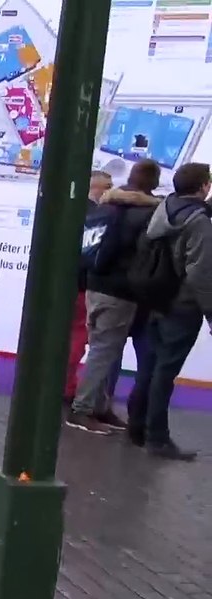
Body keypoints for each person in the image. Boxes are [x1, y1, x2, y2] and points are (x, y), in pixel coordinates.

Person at [66, 160, 162, 435]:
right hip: (120, 290)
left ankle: (99, 406)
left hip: (95, 285)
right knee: (103, 351)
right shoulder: (146, 214)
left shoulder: (106, 207)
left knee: (103, 348)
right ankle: (81, 409)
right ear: (153, 184)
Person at [125, 162, 212, 460]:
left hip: (156, 298)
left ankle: (137, 426)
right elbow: (200, 273)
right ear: (202, 187)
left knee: (150, 366)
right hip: (183, 304)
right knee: (165, 372)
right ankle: (158, 438)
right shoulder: (199, 221)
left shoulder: (164, 209)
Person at [65, 170, 115, 403]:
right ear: (92, 187)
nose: (110, 190)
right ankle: (68, 387)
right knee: (77, 338)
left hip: (70, 283)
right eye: (106, 186)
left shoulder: (69, 211)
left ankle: (66, 384)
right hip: (83, 285)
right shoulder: (97, 216)